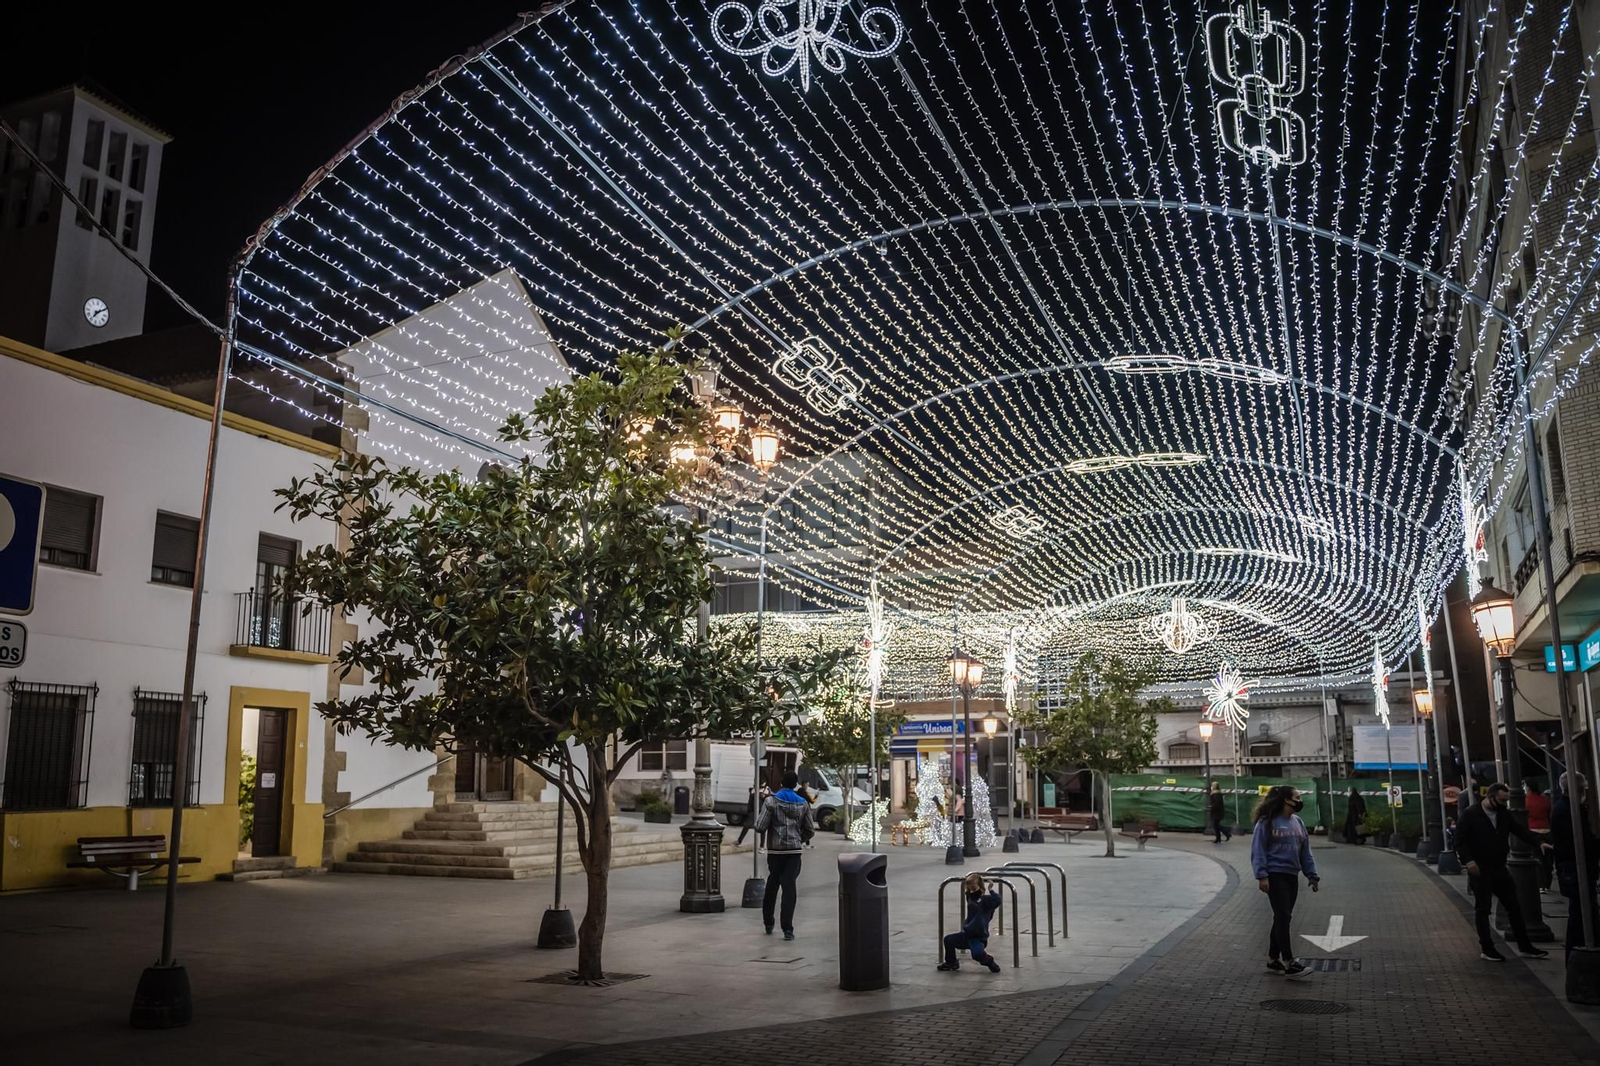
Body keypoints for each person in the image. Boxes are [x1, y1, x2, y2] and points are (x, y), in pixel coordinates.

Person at [1454, 781, 1554, 962]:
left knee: (1514, 907)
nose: (1504, 804)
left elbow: (1520, 830)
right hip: (1480, 869)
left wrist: (1538, 842)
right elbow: (1459, 840)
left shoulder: (1503, 814)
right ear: (1490, 797)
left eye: (1506, 801)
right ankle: (1487, 948)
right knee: (1483, 910)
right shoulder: (1471, 814)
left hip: (1499, 867)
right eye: (1501, 800)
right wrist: (1468, 861)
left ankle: (1525, 946)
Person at [1251, 785, 1320, 979]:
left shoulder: (1297, 822)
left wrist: (1312, 875)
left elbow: (1305, 851)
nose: (1299, 801)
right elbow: (1258, 850)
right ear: (1285, 800)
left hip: (1292, 875)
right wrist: (1262, 875)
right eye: (1296, 797)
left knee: (1282, 916)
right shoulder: (1266, 822)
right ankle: (1289, 962)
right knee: (1283, 916)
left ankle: (1273, 959)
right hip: (1274, 875)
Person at [754, 770, 814, 940]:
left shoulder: (771, 801)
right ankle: (788, 928)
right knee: (789, 888)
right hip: (794, 852)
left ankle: (768, 922)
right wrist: (799, 838)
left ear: (781, 782)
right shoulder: (803, 803)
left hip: (776, 851)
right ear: (795, 785)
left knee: (772, 885)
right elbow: (810, 830)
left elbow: (759, 826)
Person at [1552, 772, 1599, 964]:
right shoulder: (1568, 810)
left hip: (1574, 868)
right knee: (1581, 917)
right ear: (1578, 790)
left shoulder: (1569, 808)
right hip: (1575, 870)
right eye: (1584, 790)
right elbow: (1579, 842)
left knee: (1584, 915)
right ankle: (1578, 961)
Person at [939, 872, 1003, 973]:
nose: (971, 892)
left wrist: (991, 889)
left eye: (973, 889)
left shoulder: (986, 901)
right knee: (948, 940)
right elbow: (969, 892)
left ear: (982, 889)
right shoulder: (970, 898)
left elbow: (997, 900)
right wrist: (970, 880)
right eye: (969, 889)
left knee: (977, 955)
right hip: (966, 934)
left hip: (978, 937)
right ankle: (951, 962)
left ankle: (989, 961)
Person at [1526, 781, 1554, 891]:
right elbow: (1549, 813)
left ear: (1528, 787)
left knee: (1537, 858)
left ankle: (1541, 884)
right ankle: (1547, 883)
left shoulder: (1526, 800)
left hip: (1533, 830)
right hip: (1546, 830)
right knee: (1548, 860)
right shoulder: (1545, 800)